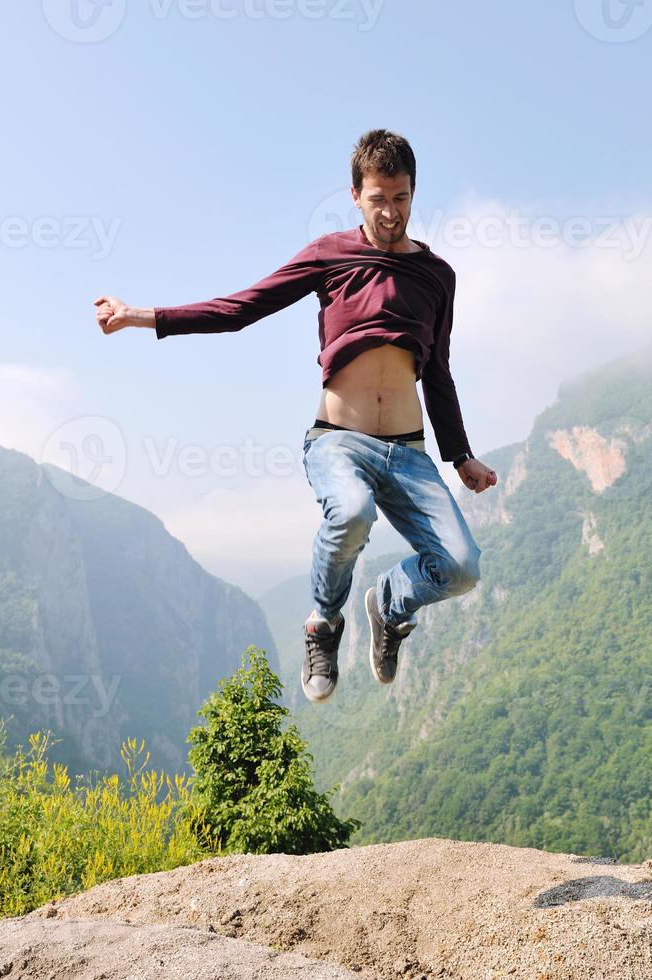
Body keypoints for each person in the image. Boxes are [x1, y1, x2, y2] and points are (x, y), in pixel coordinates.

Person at [94, 128, 497, 706]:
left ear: (414, 194)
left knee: (462, 567)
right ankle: (324, 625)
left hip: (408, 452)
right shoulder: (331, 255)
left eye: (401, 198)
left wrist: (460, 456)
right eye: (378, 198)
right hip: (338, 441)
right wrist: (142, 316)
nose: (390, 212)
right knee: (352, 512)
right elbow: (241, 309)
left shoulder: (438, 277)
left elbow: (438, 371)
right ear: (356, 194)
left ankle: (388, 605)